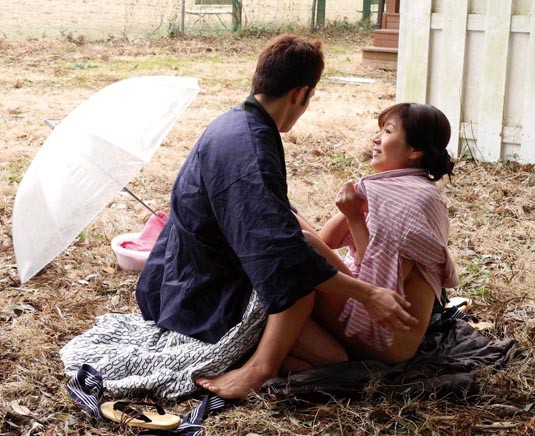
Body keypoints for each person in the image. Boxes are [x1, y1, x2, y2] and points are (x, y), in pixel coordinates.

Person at [136, 34, 417, 399]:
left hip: (179, 272)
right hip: (203, 290)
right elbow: (281, 256)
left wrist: (324, 235)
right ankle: (257, 369)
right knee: (330, 356)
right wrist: (369, 294)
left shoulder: (237, 123)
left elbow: (272, 210)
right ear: (301, 94)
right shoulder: (249, 145)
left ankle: (262, 357)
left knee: (305, 259)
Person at [293, 102, 459, 366]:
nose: (376, 138)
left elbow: (382, 283)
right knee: (287, 218)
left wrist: (354, 217)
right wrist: (353, 207)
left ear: (415, 150)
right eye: (380, 130)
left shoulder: (415, 198)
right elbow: (328, 243)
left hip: (386, 333)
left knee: (296, 240)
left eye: (388, 132)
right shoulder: (388, 190)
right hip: (370, 306)